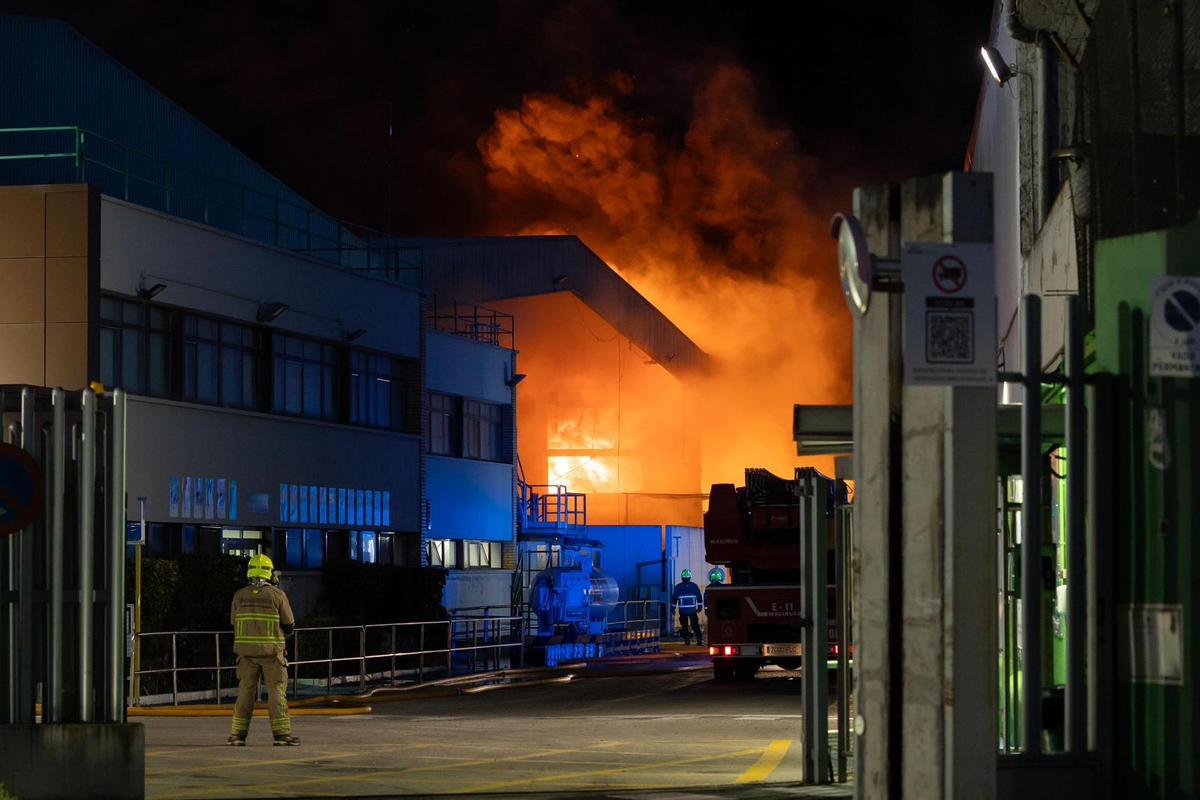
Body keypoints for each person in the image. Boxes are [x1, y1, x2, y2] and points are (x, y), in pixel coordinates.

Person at [227, 552, 299, 746]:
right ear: (269, 573)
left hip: (246, 655)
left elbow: (233, 622)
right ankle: (282, 736)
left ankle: (237, 736)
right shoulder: (277, 595)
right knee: (276, 692)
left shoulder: (239, 596)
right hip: (272, 654)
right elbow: (290, 625)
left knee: (245, 693)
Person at [671, 568, 704, 646]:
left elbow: (674, 599)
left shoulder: (678, 587)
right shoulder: (694, 586)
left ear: (682, 577)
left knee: (684, 626)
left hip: (683, 611)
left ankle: (687, 640)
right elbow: (699, 597)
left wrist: (673, 609)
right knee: (695, 625)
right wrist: (700, 607)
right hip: (692, 610)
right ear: (690, 577)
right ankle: (699, 639)